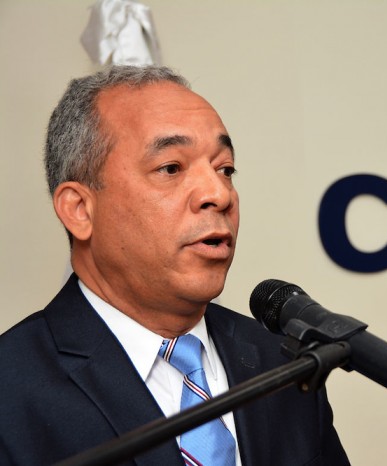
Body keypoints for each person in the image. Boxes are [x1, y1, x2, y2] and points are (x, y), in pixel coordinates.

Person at [0, 66, 349, 466]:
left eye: (225, 169)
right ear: (79, 209)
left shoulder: (282, 366)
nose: (219, 194)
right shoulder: (11, 390)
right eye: (171, 168)